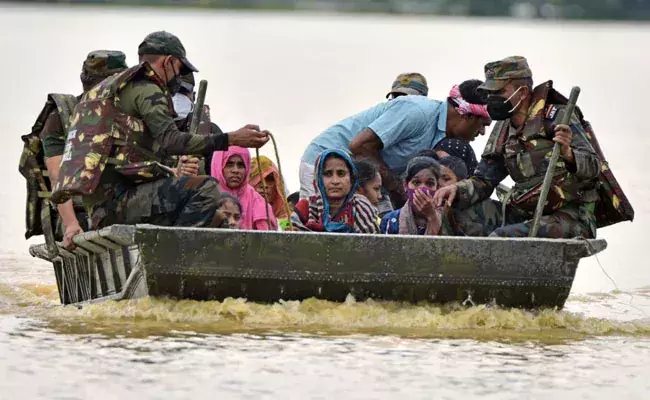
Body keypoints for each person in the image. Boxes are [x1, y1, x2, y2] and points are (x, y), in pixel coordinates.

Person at [51, 31, 270, 235]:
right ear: (168, 62)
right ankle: (178, 255)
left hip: (103, 204)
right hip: (117, 203)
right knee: (206, 188)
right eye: (179, 69)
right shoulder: (146, 88)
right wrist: (231, 139)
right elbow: (171, 141)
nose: (177, 76)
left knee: (210, 207)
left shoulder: (110, 89)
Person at [434, 56, 602, 238]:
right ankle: (460, 264)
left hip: (568, 216)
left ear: (521, 92)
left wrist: (569, 154)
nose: (491, 99)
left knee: (502, 238)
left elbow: (594, 167)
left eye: (498, 92)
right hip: (524, 211)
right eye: (489, 93)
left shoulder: (557, 115)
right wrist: (457, 190)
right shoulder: (504, 127)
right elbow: (484, 179)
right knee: (453, 212)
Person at [299, 80, 491, 214]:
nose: (482, 132)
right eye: (482, 124)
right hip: (325, 164)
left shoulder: (440, 134)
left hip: (365, 177)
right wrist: (396, 189)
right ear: (467, 116)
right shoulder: (419, 112)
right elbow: (359, 145)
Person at [19, 50, 128, 250]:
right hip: (74, 211)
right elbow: (57, 176)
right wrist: (71, 224)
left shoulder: (125, 114)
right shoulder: (61, 117)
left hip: (115, 202)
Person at [291, 149, 378, 233]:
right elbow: (292, 243)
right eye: (328, 174)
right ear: (318, 179)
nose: (335, 181)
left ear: (352, 179)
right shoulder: (305, 208)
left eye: (341, 173)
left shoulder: (361, 208)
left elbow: (371, 245)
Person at [380, 156, 455, 235]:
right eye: (416, 182)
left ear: (438, 187)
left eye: (430, 183)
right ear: (405, 186)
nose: (422, 189)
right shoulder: (391, 220)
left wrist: (432, 216)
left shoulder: (450, 220)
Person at [211, 147, 277, 231]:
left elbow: (267, 241)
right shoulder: (205, 198)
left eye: (241, 165)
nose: (235, 170)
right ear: (218, 165)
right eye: (229, 164)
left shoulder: (259, 203)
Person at [249, 155, 291, 229]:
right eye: (257, 179)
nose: (264, 185)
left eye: (270, 179)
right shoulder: (235, 214)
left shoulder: (288, 220)